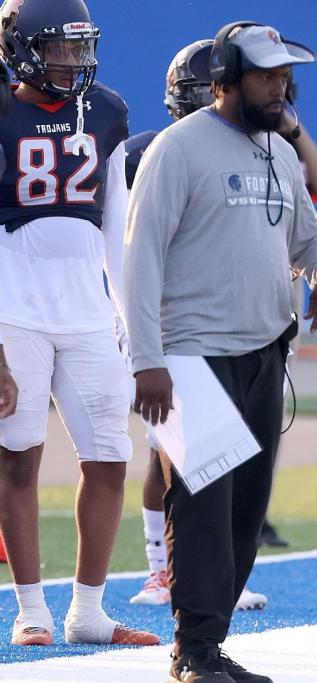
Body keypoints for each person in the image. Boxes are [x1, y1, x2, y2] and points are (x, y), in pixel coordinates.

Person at [124, 21, 317, 683]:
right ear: (225, 82)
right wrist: (147, 360)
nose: (280, 88)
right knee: (203, 506)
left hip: (263, 352)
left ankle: (208, 644)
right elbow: (139, 262)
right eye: (266, 77)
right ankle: (192, 651)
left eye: (285, 76)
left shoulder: (279, 152)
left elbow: (312, 236)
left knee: (246, 510)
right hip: (191, 354)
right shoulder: (178, 149)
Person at [0, 0, 159, 648]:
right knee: (17, 458)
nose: (74, 61)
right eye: (60, 49)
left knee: (111, 457)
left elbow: (116, 229)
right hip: (14, 308)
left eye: (80, 46)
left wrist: (133, 325)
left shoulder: (109, 111)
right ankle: (31, 607)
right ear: (22, 48)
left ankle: (87, 610)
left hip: (88, 312)